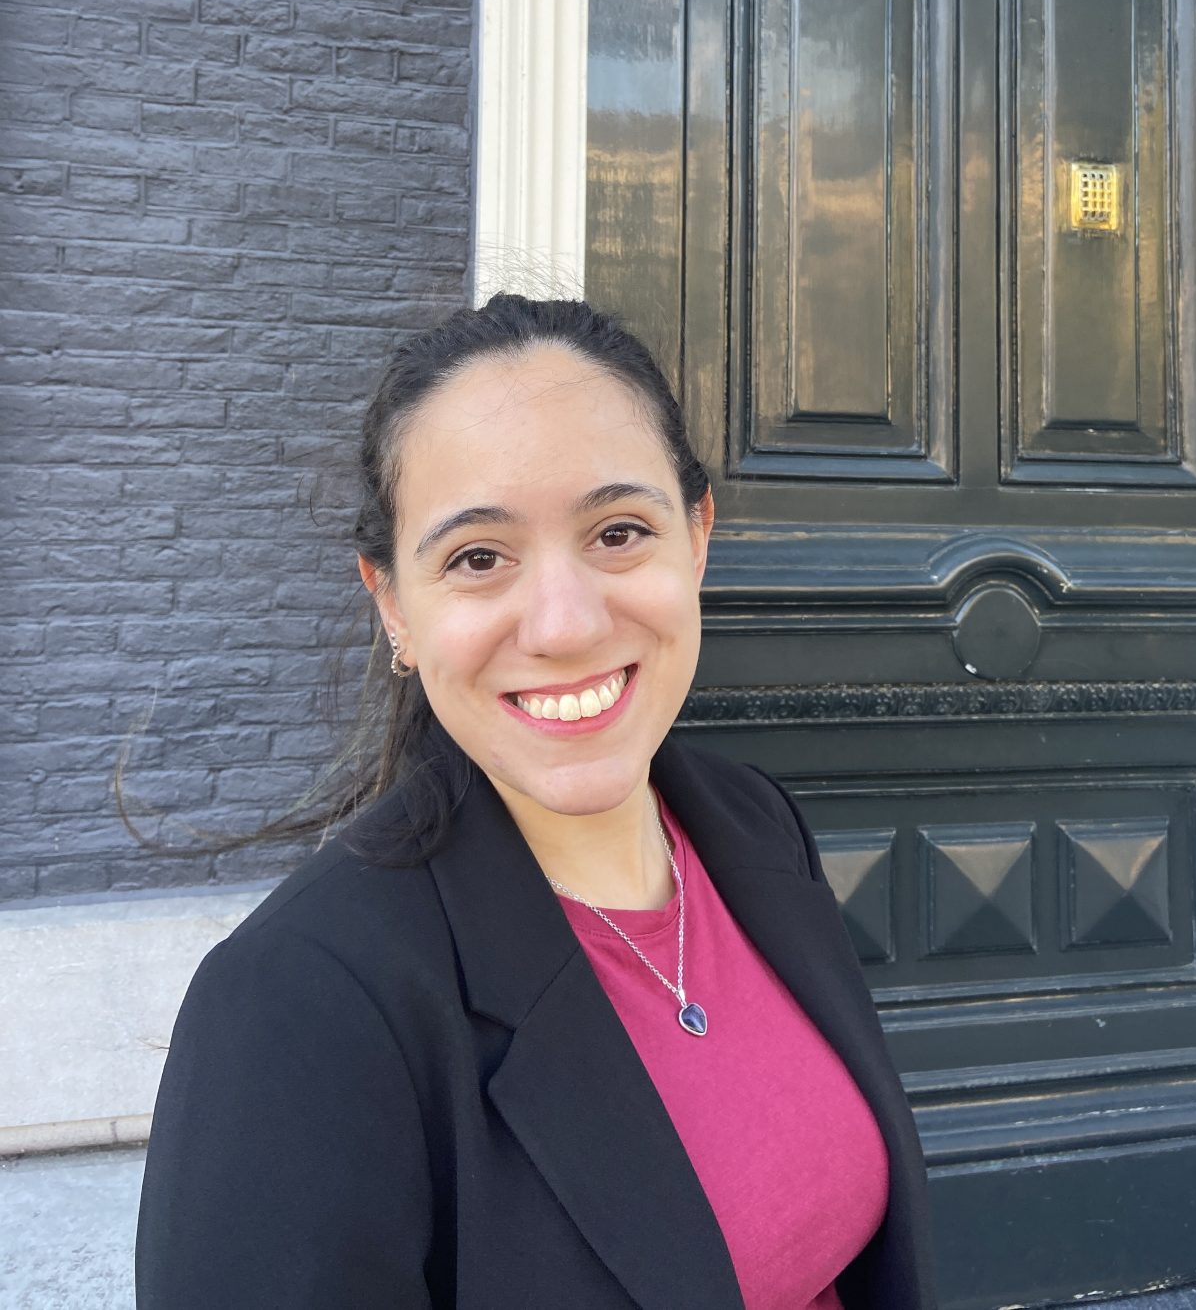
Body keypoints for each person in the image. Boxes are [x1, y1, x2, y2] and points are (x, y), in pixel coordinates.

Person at [134, 293, 937, 1310]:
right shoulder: (299, 1004)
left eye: (617, 531)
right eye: (478, 558)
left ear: (696, 540)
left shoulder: (753, 827)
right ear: (393, 603)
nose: (562, 624)